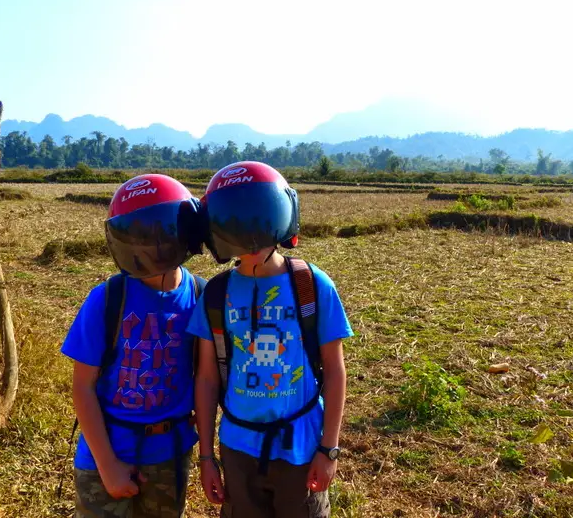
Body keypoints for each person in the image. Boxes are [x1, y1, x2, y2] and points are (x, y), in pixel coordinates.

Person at [188, 161, 354, 518]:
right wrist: (206, 457)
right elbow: (205, 377)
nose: (247, 235)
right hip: (238, 448)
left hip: (302, 447)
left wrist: (329, 450)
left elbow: (335, 371)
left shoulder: (312, 285)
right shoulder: (216, 293)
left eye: (254, 220)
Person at [61, 174, 205, 518]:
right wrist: (108, 466)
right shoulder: (108, 299)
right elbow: (83, 386)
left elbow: (206, 377)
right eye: (138, 236)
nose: (150, 247)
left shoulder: (200, 296)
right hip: (107, 453)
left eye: (158, 234)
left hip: (169, 452)